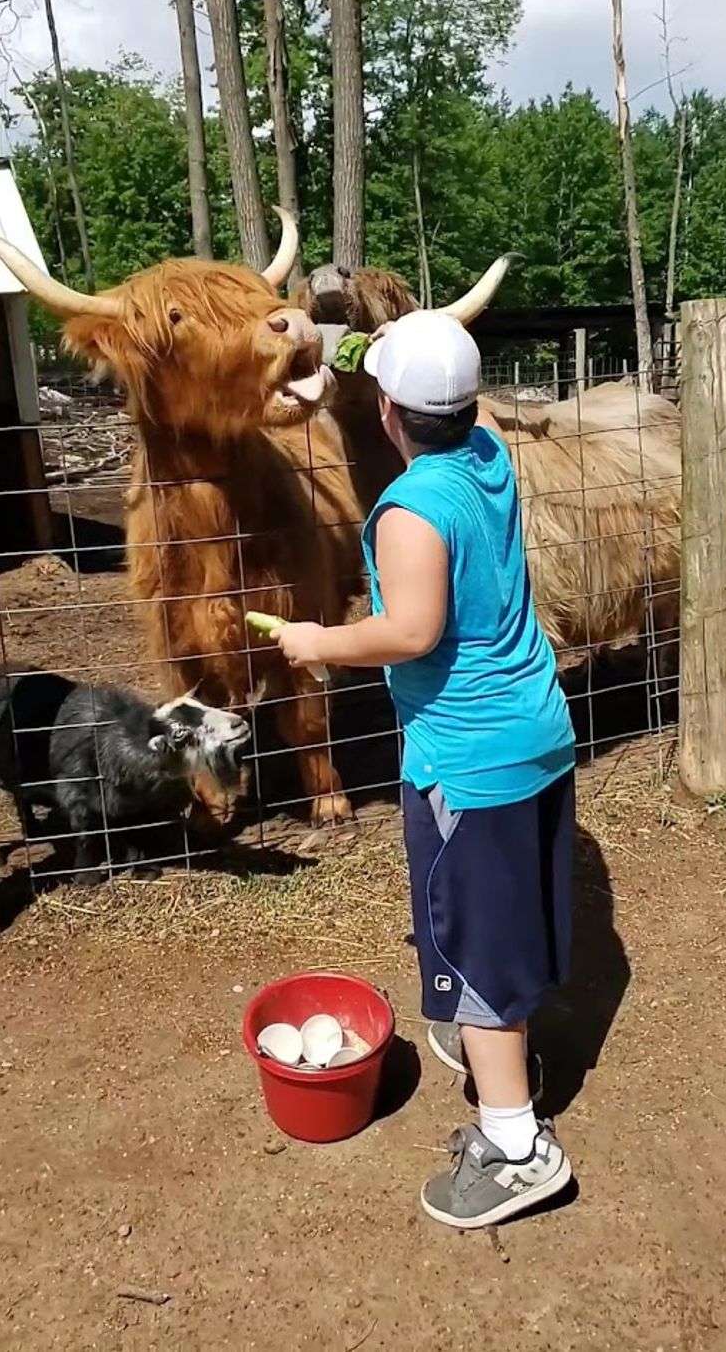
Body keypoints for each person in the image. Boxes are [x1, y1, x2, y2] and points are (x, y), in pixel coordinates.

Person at [272, 311, 576, 1229]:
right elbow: (432, 395)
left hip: (468, 752)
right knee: (504, 923)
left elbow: (409, 631)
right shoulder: (486, 457)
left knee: (481, 947)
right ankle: (498, 1043)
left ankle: (518, 1143)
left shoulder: (409, 510)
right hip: (533, 733)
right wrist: (339, 352)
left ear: (389, 412)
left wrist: (316, 639)